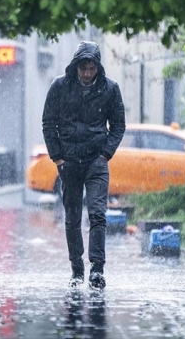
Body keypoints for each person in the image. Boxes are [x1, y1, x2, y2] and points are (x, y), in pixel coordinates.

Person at [42, 41, 125, 290]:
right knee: (72, 216)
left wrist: (105, 154)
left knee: (98, 214)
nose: (87, 73)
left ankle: (97, 269)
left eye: (92, 69)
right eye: (83, 68)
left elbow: (118, 125)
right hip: (69, 162)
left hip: (96, 161)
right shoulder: (59, 86)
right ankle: (76, 270)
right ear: (76, 66)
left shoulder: (110, 89)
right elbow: (48, 123)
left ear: (98, 68)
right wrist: (57, 158)